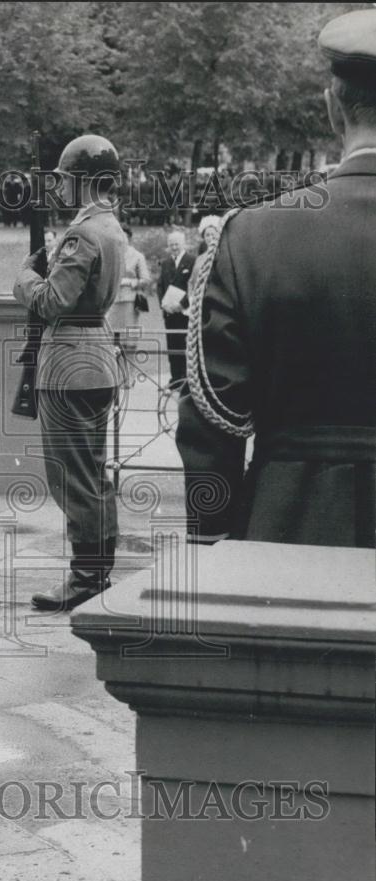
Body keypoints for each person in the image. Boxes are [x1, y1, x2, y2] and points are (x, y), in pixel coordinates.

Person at [177, 8, 376, 549]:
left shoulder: (251, 236)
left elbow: (212, 423)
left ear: (332, 107)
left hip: (289, 530)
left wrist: (209, 541)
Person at [13, 134, 126, 611]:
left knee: (72, 477)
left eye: (63, 179)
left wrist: (26, 276)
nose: (59, 187)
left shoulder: (83, 233)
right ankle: (98, 571)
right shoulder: (109, 226)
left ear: (80, 181)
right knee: (93, 475)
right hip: (95, 361)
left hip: (69, 368)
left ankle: (87, 578)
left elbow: (51, 302)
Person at [157, 229, 195, 386]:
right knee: (172, 345)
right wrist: (163, 304)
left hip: (185, 311)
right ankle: (175, 379)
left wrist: (182, 304)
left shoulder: (192, 260)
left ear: (183, 243)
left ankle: (187, 380)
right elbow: (160, 286)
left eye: (176, 244)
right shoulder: (165, 263)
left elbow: (193, 285)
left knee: (185, 345)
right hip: (169, 312)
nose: (174, 247)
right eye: (171, 244)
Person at [107, 223, 151, 347]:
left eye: (124, 236)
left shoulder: (138, 256)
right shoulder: (111, 256)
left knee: (129, 341)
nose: (121, 239)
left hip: (130, 303)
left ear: (129, 238)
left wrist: (130, 282)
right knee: (113, 342)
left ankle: (129, 366)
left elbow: (146, 280)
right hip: (113, 303)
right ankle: (115, 366)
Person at [186, 215, 222, 308]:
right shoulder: (200, 258)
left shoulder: (222, 256)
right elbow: (191, 281)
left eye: (213, 235)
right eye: (207, 235)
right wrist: (191, 297)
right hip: (199, 301)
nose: (210, 238)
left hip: (216, 301)